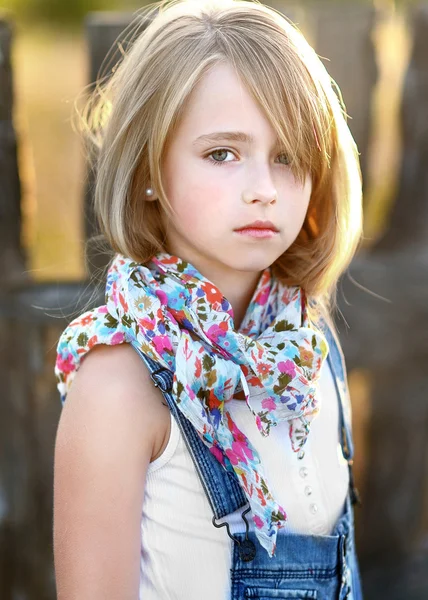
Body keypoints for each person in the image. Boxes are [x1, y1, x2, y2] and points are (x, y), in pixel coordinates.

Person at [53, 0, 364, 598]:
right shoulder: (119, 385)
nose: (264, 191)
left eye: (288, 157)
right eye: (222, 153)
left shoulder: (306, 352)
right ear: (149, 167)